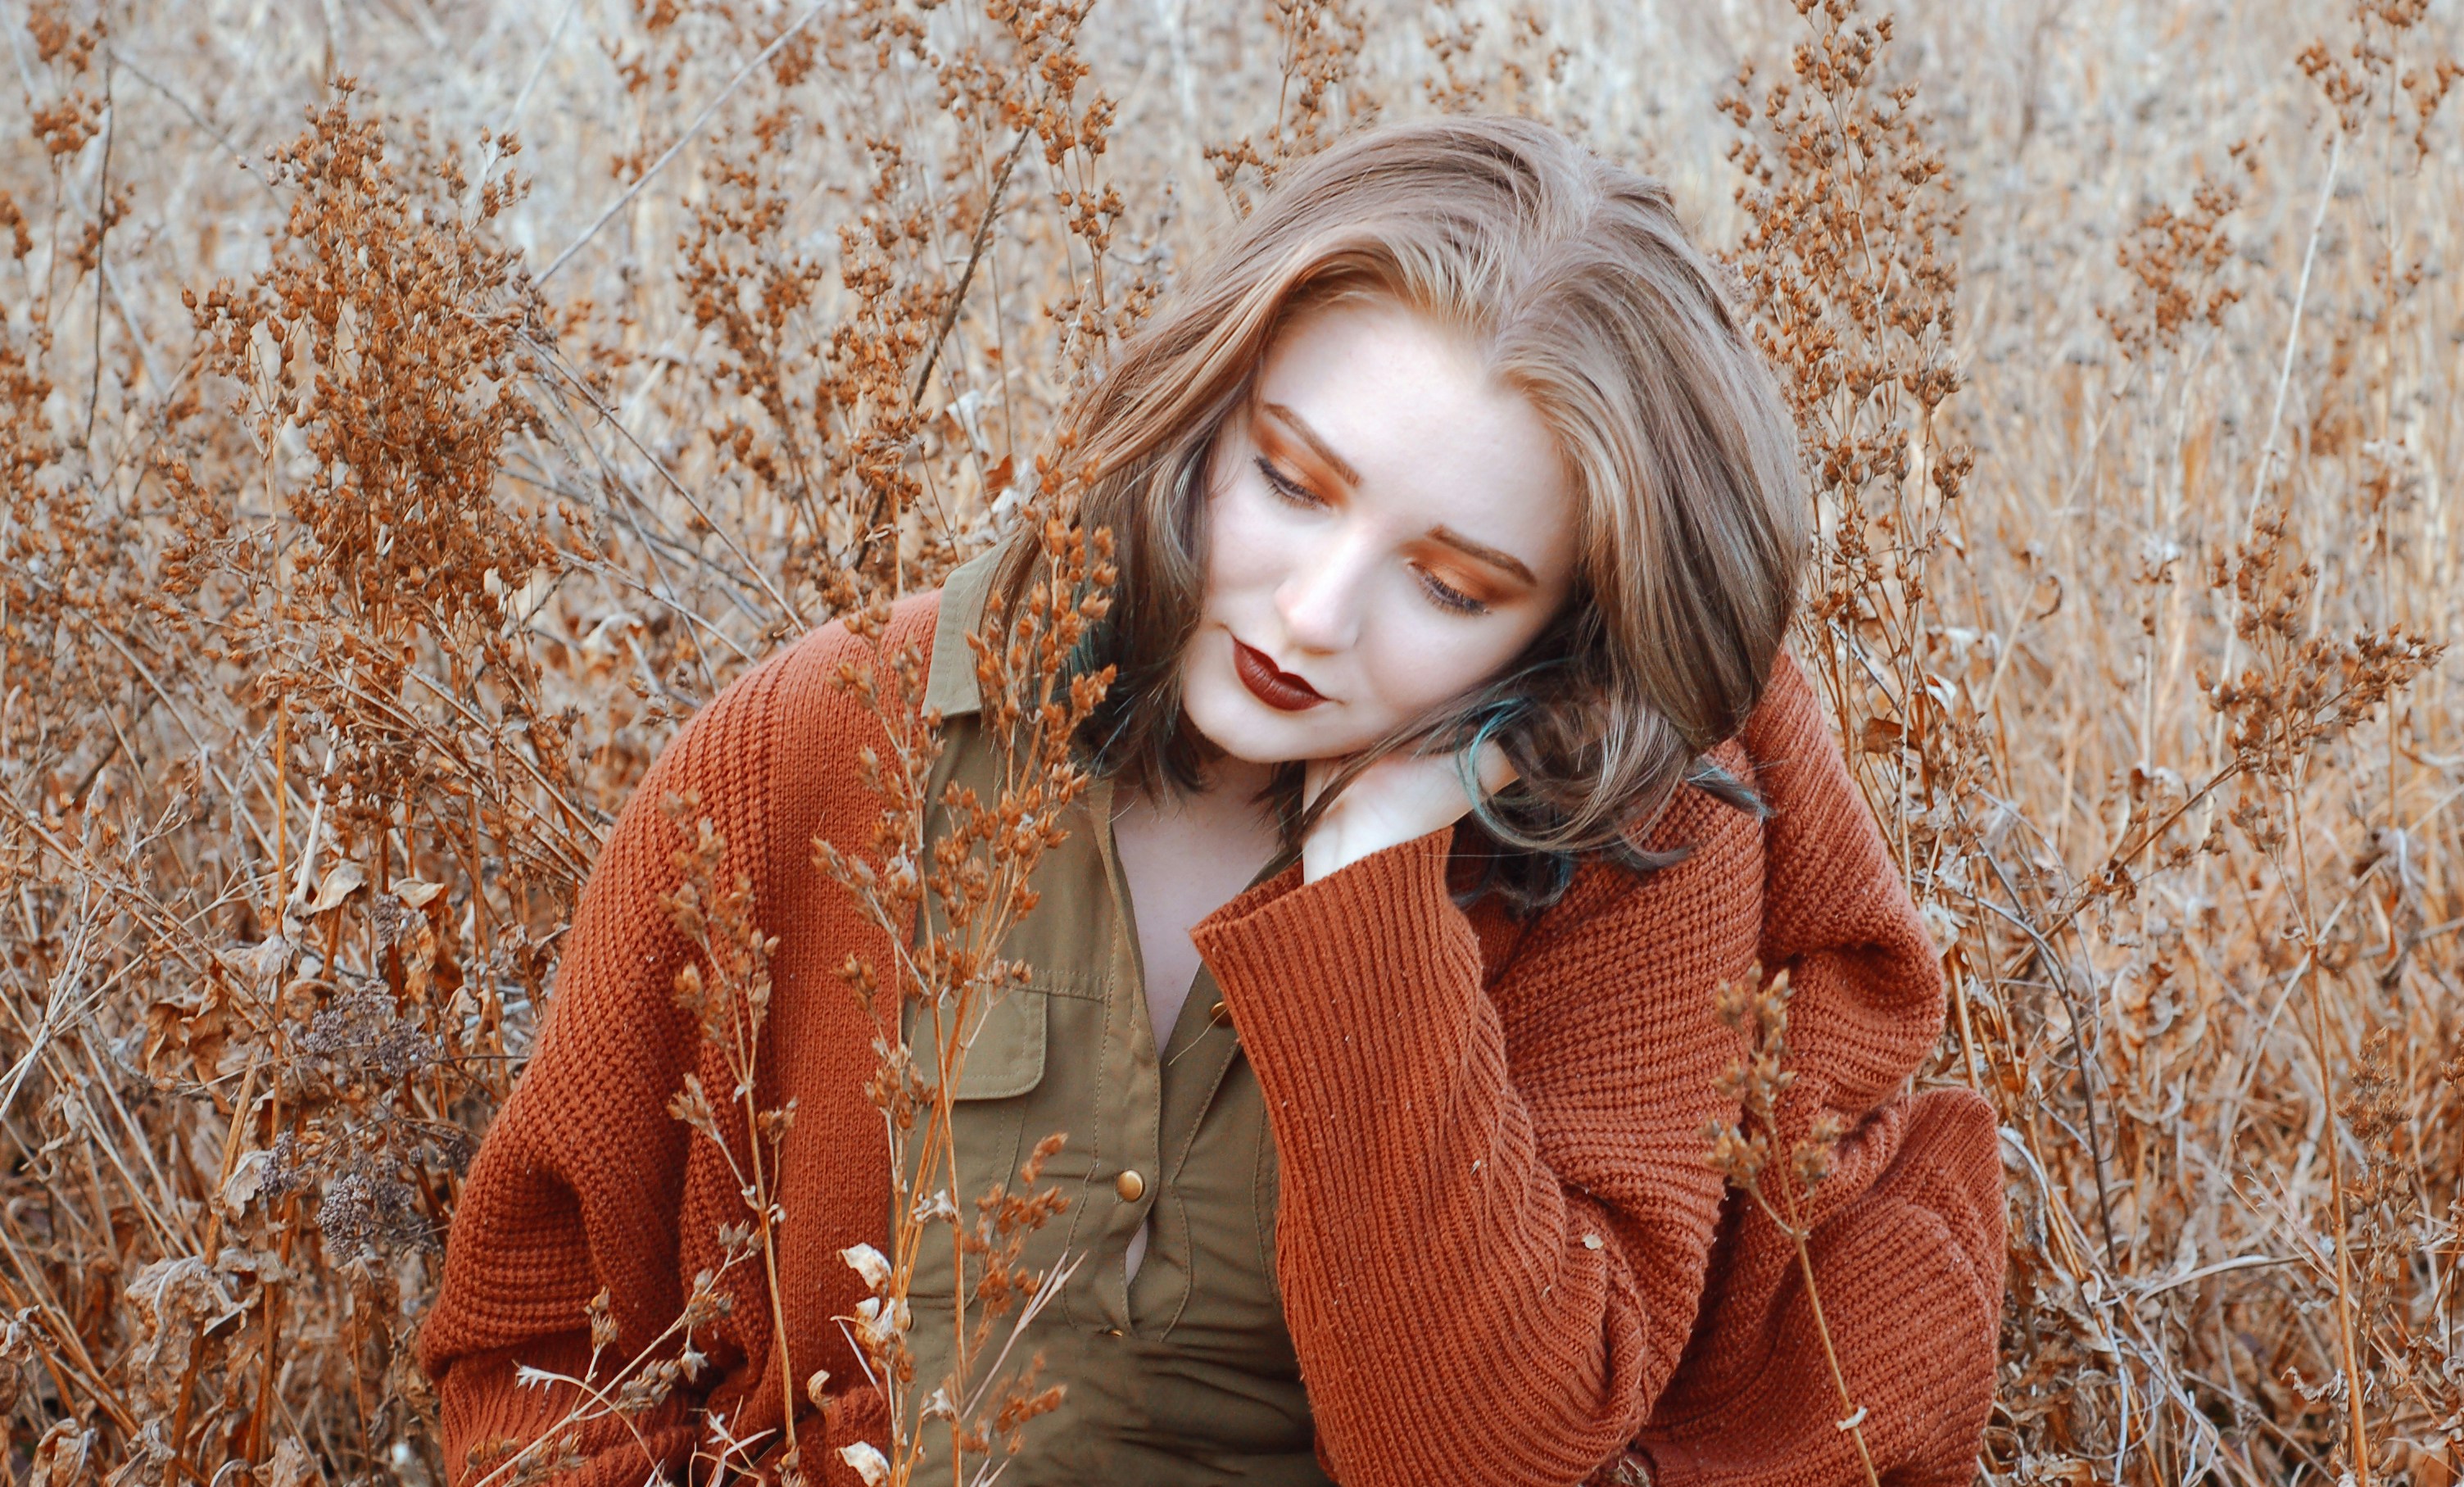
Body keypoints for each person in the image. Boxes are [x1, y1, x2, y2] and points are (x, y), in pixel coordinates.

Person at [419, 116, 2004, 1487]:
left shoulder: (1633, 864)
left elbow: (1482, 1457)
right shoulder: (826, 743)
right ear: (1206, 406)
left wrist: (1380, 896)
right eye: (1292, 483)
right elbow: (536, 1352)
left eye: (1451, 587)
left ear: (1564, 630)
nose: (1312, 614)